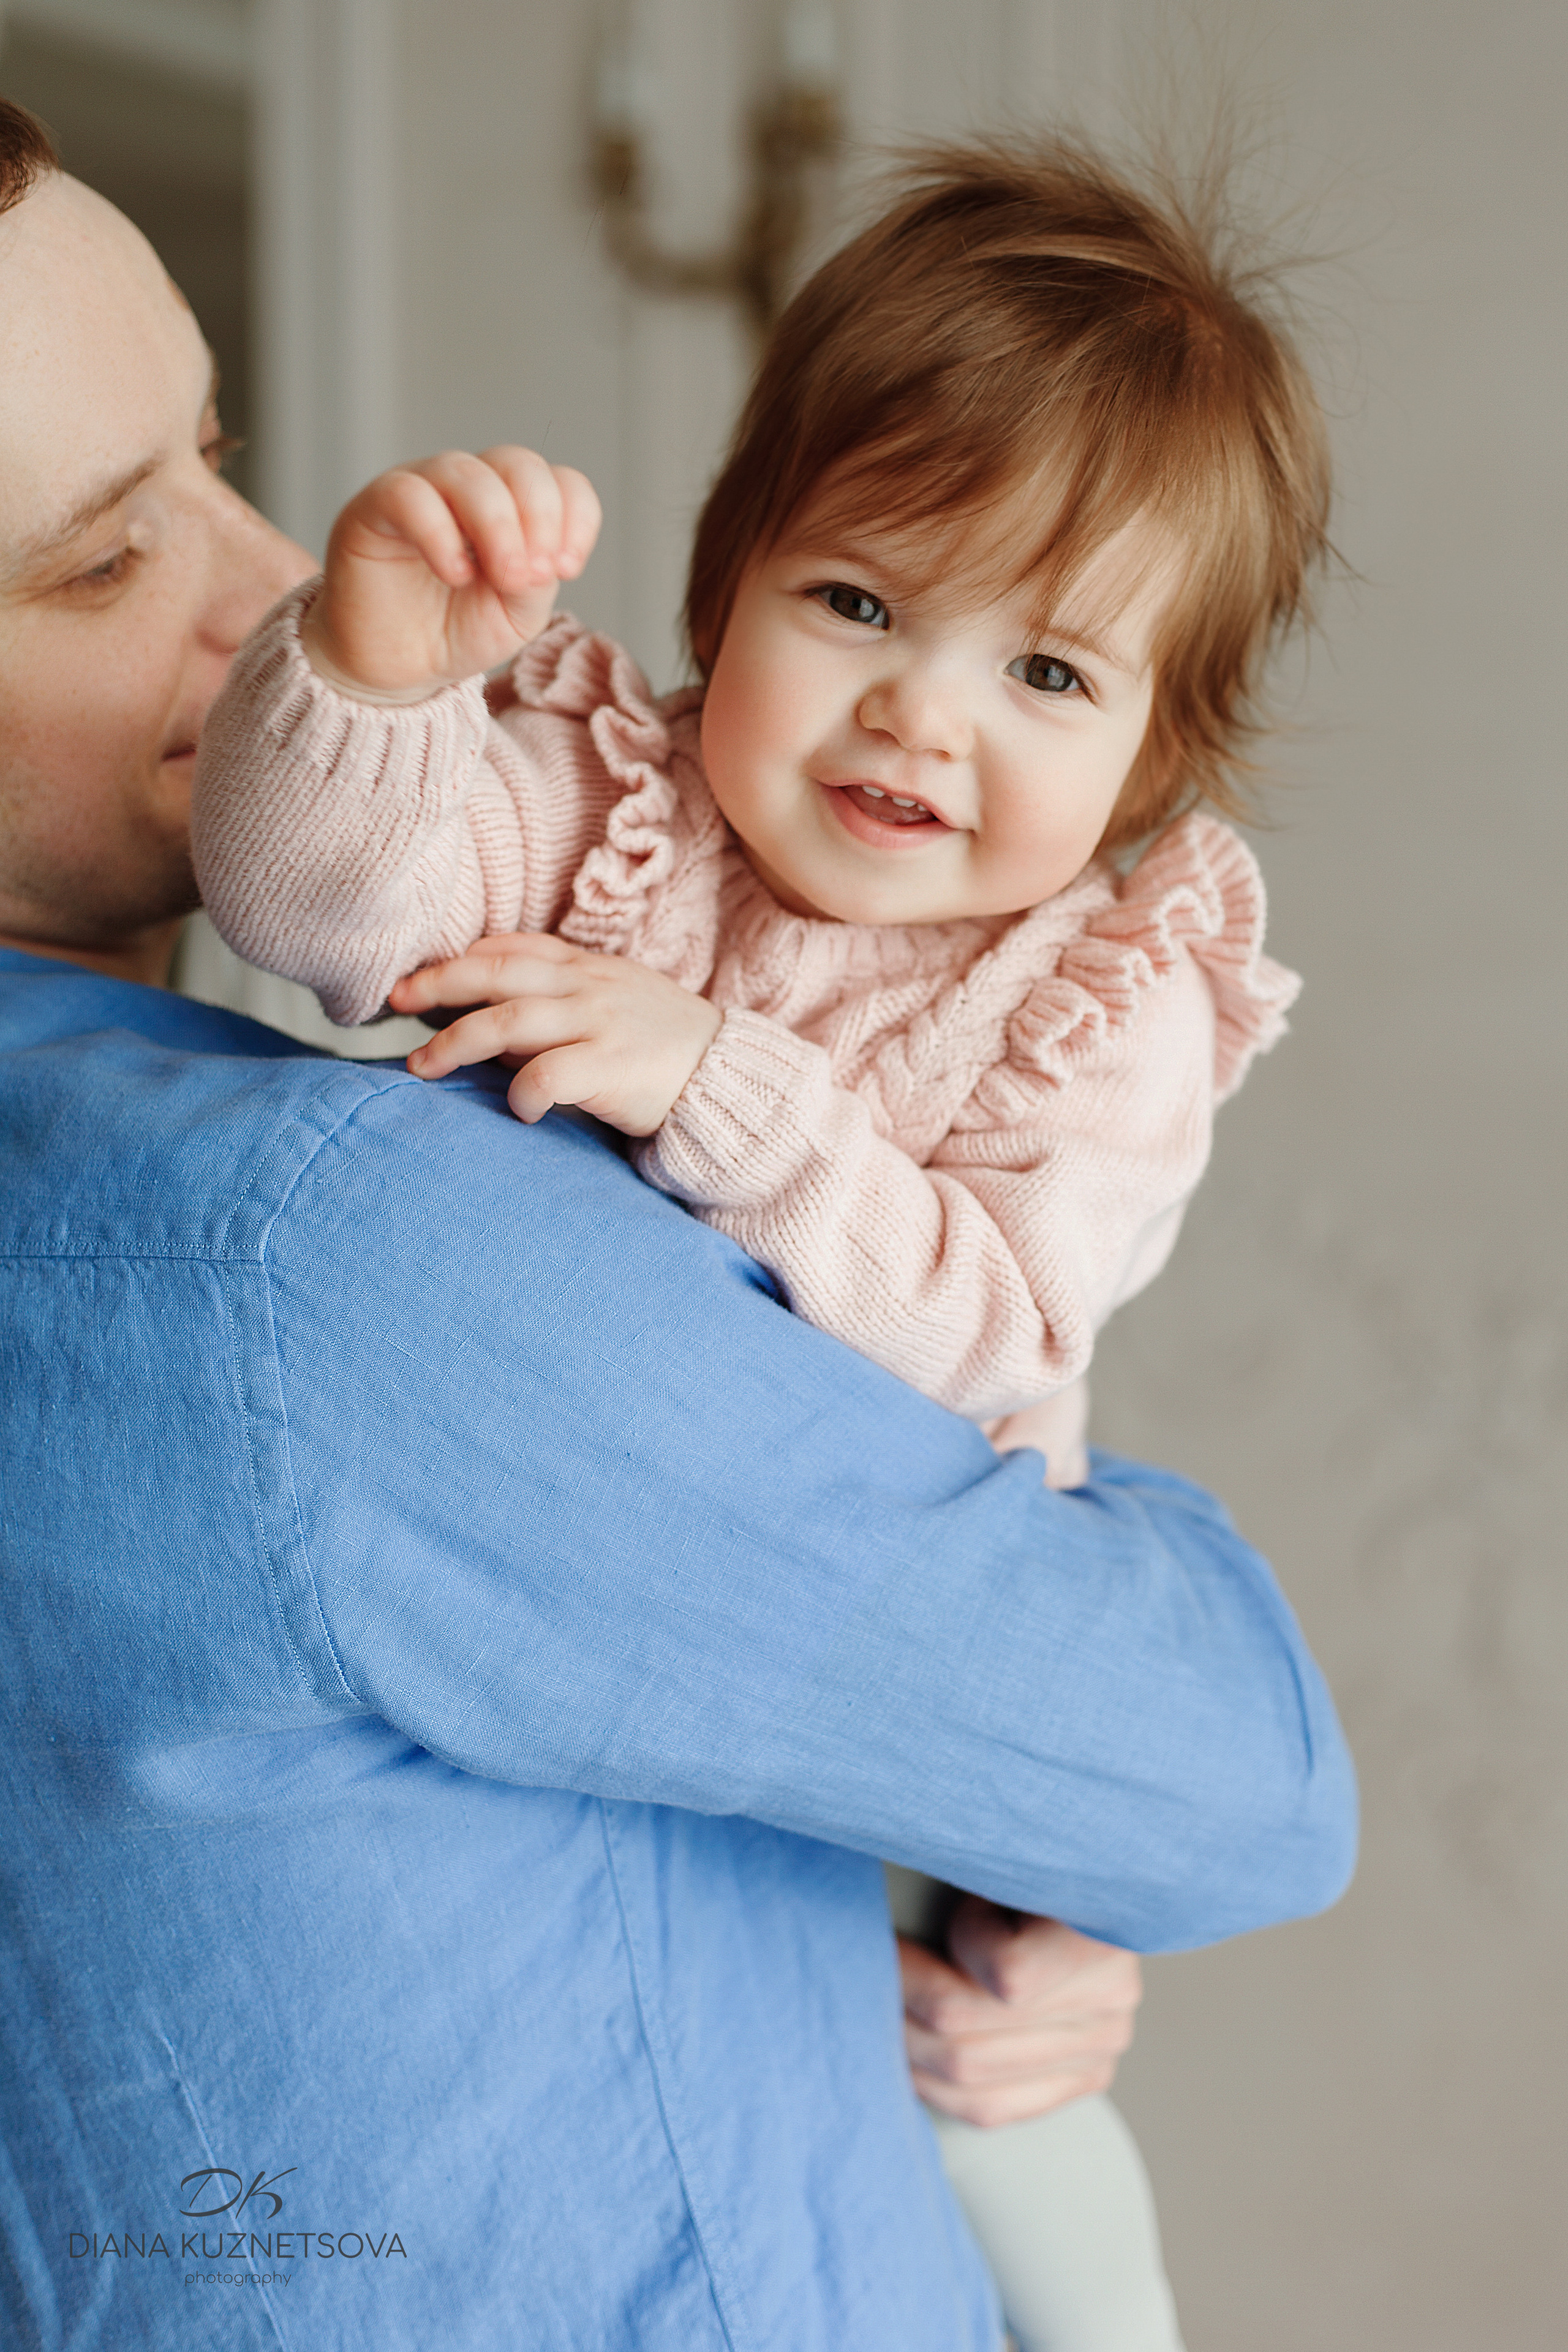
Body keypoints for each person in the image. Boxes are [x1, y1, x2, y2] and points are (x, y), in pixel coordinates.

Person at [0, 102, 1357, 2352]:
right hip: (937, 1679)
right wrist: (363, 667)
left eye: (1052, 673)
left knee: (1066, 2207)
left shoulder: (1088, 1004)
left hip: (936, 1586)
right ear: (723, 589)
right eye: (94, 559)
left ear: (1153, 759)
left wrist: (719, 1089)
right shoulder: (379, 1168)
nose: (257, 572)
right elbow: (1247, 1785)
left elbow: (988, 1324)